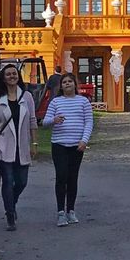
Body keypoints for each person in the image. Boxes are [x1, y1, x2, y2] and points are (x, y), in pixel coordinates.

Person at [0, 64, 38, 232]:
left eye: (14, 74)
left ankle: (11, 203)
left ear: (18, 76)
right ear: (3, 78)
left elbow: (32, 121)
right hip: (3, 145)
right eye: (8, 74)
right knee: (7, 181)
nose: (11, 76)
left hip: (22, 145)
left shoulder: (27, 97)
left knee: (22, 181)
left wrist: (34, 143)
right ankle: (9, 214)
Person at [41, 72, 93, 227]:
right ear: (61, 86)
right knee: (61, 176)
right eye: (64, 82)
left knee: (72, 178)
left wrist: (84, 141)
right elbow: (44, 122)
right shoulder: (56, 102)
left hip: (76, 146)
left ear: (75, 84)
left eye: (70, 81)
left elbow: (88, 122)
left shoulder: (83, 101)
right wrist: (54, 120)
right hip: (59, 145)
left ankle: (71, 210)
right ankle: (60, 212)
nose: (67, 84)